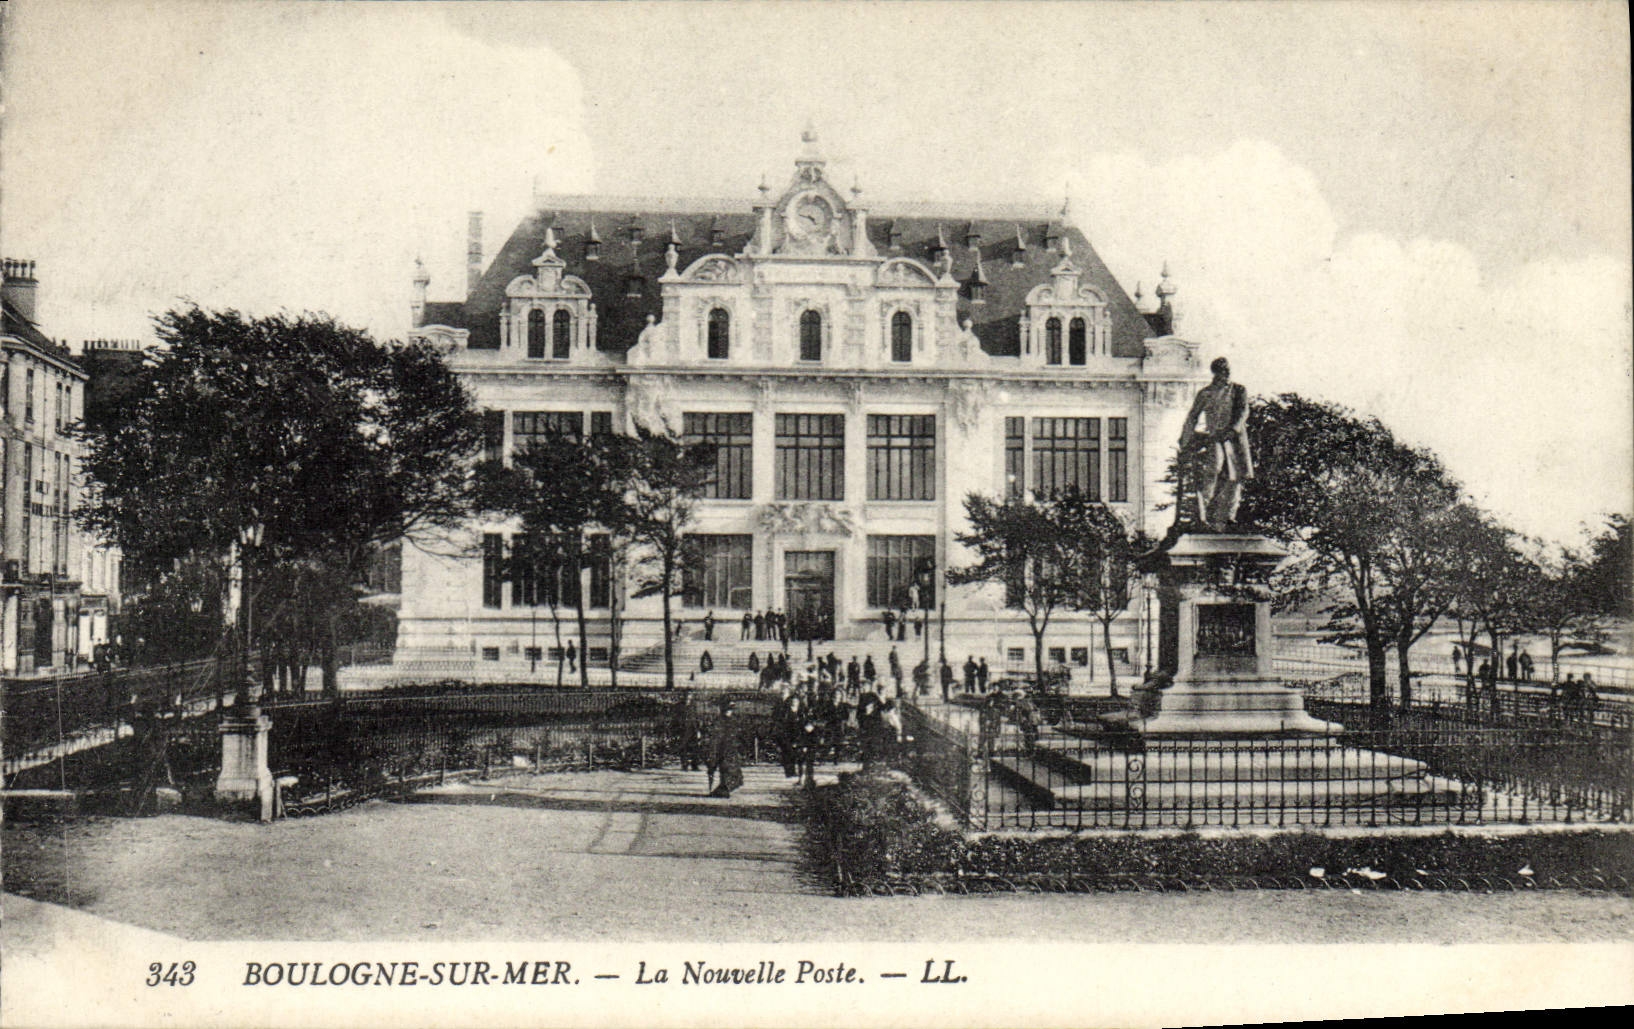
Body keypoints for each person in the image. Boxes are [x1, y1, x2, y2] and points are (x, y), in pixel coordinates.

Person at [1178, 356, 1253, 531]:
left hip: (1234, 440)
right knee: (1212, 470)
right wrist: (1185, 439)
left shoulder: (1238, 390)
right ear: (1215, 372)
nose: (1226, 374)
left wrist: (1232, 430)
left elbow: (1243, 412)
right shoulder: (1206, 393)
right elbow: (1192, 417)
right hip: (1215, 438)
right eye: (1222, 370)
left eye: (1227, 370)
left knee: (1236, 477)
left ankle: (1229, 516)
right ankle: (1202, 514)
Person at [707, 699, 744, 798]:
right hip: (722, 749)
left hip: (732, 749)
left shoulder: (733, 720)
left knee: (733, 772)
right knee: (725, 769)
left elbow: (739, 733)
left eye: (731, 710)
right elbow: (715, 737)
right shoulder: (719, 721)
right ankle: (723, 790)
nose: (729, 712)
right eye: (728, 709)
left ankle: (724, 789)